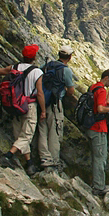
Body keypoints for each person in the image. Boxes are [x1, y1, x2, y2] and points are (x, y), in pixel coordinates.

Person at [0, 45, 46, 176]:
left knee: (20, 136)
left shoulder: (14, 67)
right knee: (26, 136)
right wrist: (44, 111)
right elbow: (40, 93)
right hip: (29, 106)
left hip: (15, 105)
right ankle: (8, 156)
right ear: (34, 57)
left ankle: (30, 165)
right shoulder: (37, 72)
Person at [37, 45, 77, 174]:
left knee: (42, 130)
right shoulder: (66, 70)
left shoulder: (47, 65)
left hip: (42, 101)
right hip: (55, 103)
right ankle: (53, 161)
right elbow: (71, 90)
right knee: (54, 131)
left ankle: (44, 158)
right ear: (69, 57)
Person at [86, 69, 109, 195]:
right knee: (100, 158)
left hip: (90, 126)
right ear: (106, 78)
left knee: (96, 156)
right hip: (98, 128)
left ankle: (96, 182)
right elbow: (99, 109)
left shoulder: (93, 87)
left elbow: (95, 104)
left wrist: (106, 102)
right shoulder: (101, 90)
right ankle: (99, 186)